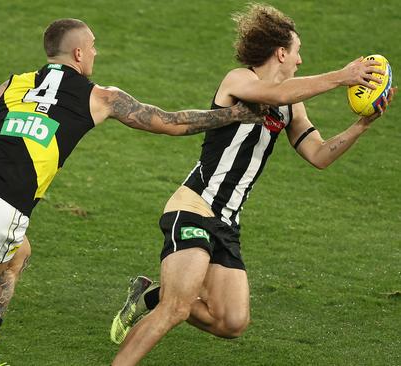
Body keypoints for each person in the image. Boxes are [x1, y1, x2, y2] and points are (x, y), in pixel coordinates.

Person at [0, 18, 267, 366]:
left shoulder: (15, 83)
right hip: (1, 209)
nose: (97, 54)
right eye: (94, 47)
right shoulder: (100, 97)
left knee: (20, 253)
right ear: (79, 54)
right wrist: (232, 113)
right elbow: (170, 122)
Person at [108, 4, 395, 365]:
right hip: (195, 207)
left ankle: (147, 297)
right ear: (280, 53)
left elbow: (319, 155)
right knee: (177, 308)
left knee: (231, 321)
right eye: (297, 52)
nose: (300, 61)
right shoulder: (238, 81)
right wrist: (342, 76)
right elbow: (274, 95)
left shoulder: (293, 108)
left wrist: (362, 125)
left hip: (227, 223)